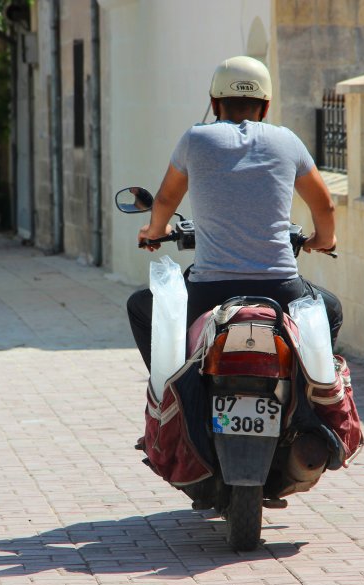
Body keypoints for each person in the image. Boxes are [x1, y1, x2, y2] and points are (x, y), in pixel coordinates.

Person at [127, 56, 342, 372]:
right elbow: (324, 205)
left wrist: (155, 230)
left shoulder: (195, 139)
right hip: (281, 289)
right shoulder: (287, 140)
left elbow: (165, 199)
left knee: (139, 306)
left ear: (215, 104)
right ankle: (310, 398)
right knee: (331, 310)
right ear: (265, 107)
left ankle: (170, 394)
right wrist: (323, 239)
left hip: (209, 291)